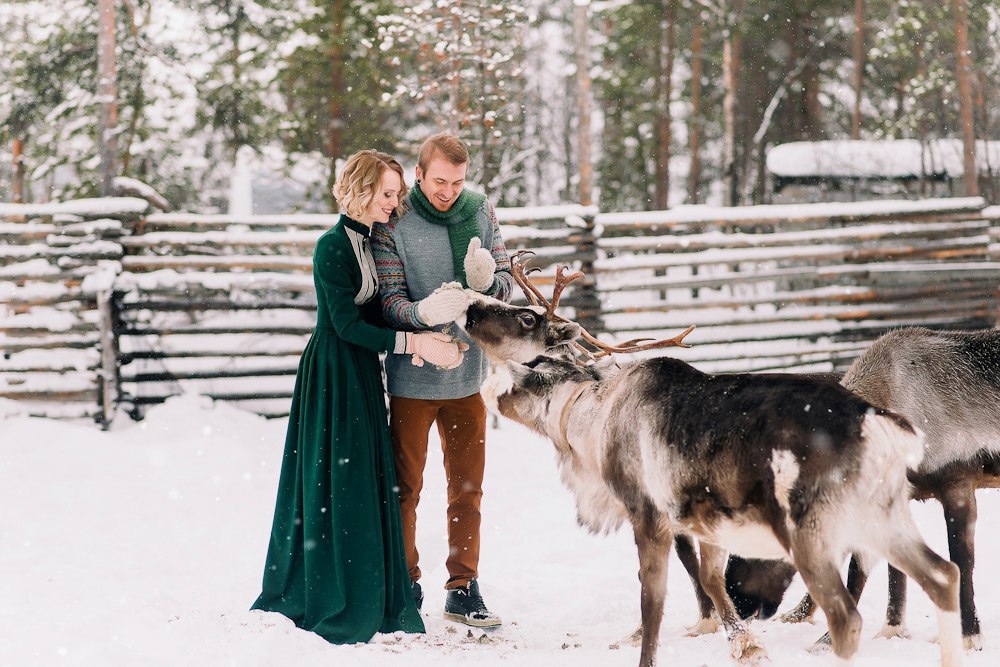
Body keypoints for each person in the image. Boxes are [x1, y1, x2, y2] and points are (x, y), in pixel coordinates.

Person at [251, 149, 471, 644]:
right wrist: (410, 342)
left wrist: (422, 337)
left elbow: (374, 316)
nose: (394, 205)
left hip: (363, 373)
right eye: (387, 195)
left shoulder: (368, 240)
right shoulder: (332, 247)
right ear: (362, 190)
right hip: (332, 372)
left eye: (396, 194)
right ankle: (329, 586)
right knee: (336, 475)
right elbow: (346, 324)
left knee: (367, 477)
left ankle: (367, 583)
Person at [371, 133, 514, 628]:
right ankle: (405, 583)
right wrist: (423, 316)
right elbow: (387, 301)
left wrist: (486, 280)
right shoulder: (396, 219)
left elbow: (505, 285)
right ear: (419, 173)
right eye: (439, 181)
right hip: (412, 378)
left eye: (457, 181)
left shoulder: (480, 210)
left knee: (467, 488)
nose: (448, 191)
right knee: (405, 487)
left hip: (468, 377)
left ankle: (463, 587)